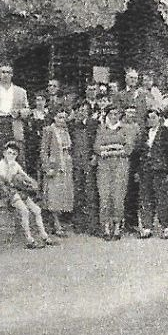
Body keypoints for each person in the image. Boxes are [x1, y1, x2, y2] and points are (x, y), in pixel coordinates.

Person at [0, 140, 52, 248]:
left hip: (18, 191)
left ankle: (44, 236)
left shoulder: (15, 164)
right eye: (9, 153)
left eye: (14, 154)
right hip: (6, 192)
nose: (11, 155)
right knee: (24, 211)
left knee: (37, 210)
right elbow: (7, 180)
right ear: (4, 153)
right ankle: (29, 239)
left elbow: (24, 175)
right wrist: (12, 169)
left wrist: (32, 183)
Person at [136, 104, 168, 239]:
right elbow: (139, 154)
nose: (151, 120)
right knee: (146, 198)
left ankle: (165, 227)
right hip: (146, 170)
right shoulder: (144, 133)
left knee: (163, 199)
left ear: (160, 118)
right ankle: (147, 227)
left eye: (154, 118)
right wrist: (138, 171)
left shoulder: (167, 132)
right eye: (149, 118)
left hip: (161, 169)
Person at [92, 104, 135, 240]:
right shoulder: (101, 129)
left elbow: (128, 148)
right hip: (104, 166)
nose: (113, 116)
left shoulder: (125, 129)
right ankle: (106, 228)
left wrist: (109, 149)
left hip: (120, 165)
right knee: (105, 196)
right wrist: (115, 147)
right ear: (107, 115)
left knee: (118, 196)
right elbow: (97, 148)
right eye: (111, 114)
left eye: (116, 114)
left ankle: (117, 228)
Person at [67, 94, 100, 238]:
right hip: (76, 163)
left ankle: (93, 225)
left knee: (91, 193)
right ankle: (79, 224)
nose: (82, 112)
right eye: (79, 110)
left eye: (84, 110)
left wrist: (95, 155)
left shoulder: (94, 124)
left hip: (89, 162)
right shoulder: (71, 125)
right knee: (78, 193)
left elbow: (98, 141)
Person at [40, 107, 75, 236]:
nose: (62, 120)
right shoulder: (49, 130)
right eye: (59, 117)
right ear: (54, 117)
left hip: (66, 163)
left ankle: (59, 222)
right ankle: (55, 224)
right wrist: (47, 167)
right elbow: (44, 150)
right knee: (53, 195)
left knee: (63, 194)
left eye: (64, 117)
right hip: (54, 165)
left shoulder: (65, 131)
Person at [0, 63, 30, 151]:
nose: (5, 75)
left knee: (17, 151)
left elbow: (27, 110)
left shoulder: (21, 91)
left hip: (14, 122)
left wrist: (19, 112)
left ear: (12, 74)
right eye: (3, 72)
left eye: (8, 72)